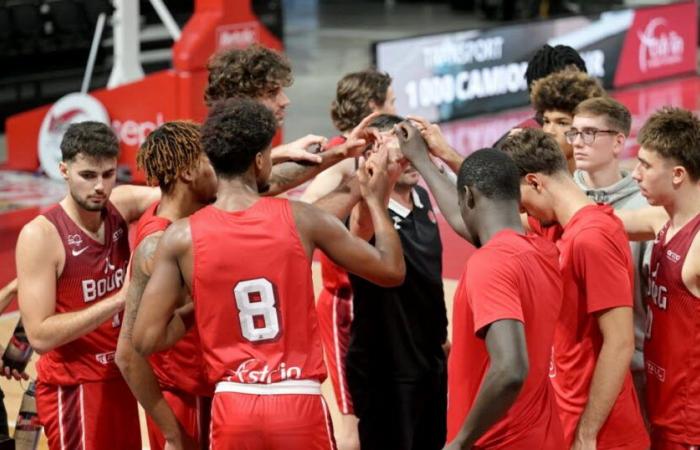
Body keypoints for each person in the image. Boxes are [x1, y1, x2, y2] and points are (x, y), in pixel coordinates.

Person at [131, 97, 406, 449]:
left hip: (233, 404)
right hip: (297, 401)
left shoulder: (181, 236)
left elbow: (145, 339)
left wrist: (199, 308)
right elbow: (391, 270)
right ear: (260, 161)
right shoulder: (300, 219)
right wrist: (376, 198)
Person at [401, 125, 565, 448]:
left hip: (499, 443)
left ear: (469, 196)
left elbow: (510, 369)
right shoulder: (543, 251)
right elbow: (471, 220)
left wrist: (460, 441)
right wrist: (422, 161)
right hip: (545, 437)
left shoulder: (489, 263)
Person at [500, 128, 649, 449]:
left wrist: (587, 433)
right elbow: (488, 217)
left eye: (522, 202)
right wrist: (442, 159)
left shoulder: (590, 238)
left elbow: (620, 342)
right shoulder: (562, 227)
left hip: (604, 437)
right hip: (572, 422)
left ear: (535, 182)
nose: (522, 212)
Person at [15, 121, 159, 450]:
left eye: (108, 174)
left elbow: (193, 189)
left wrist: (269, 156)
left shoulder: (120, 205)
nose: (100, 187)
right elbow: (38, 335)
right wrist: (118, 300)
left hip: (120, 377)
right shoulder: (41, 235)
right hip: (74, 387)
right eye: (88, 175)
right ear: (64, 170)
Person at [300, 69, 396, 450]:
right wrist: (340, 245)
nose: (397, 109)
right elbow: (301, 217)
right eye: (392, 102)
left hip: (376, 298)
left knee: (382, 408)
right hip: (346, 303)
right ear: (374, 108)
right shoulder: (341, 158)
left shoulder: (373, 154)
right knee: (351, 423)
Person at [343, 114, 448, 450]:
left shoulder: (424, 199)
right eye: (400, 146)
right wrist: (378, 179)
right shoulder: (368, 212)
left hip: (429, 360)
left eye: (413, 145)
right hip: (385, 371)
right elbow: (358, 232)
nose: (410, 155)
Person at [115, 121, 218, 450]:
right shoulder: (156, 245)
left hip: (211, 386)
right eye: (210, 161)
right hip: (183, 397)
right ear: (188, 172)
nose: (218, 168)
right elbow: (128, 355)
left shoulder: (190, 210)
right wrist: (172, 432)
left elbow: (261, 184)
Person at [617, 107, 700, 449]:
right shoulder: (660, 221)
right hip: (663, 410)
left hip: (691, 424)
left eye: (646, 165)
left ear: (678, 174)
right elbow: (592, 220)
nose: (635, 175)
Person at [568, 97, 652, 415]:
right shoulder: (562, 200)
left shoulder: (644, 205)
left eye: (589, 133)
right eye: (574, 133)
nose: (578, 142)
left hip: (634, 366)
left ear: (618, 141)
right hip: (574, 365)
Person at [205, 44, 373, 199]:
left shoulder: (234, 153)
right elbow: (265, 184)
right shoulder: (211, 163)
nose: (285, 101)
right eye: (272, 93)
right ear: (242, 100)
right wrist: (342, 154)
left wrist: (280, 153)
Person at [528, 69, 606, 173]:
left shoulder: (605, 184)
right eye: (546, 121)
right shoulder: (534, 182)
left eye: (562, 123)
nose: (549, 132)